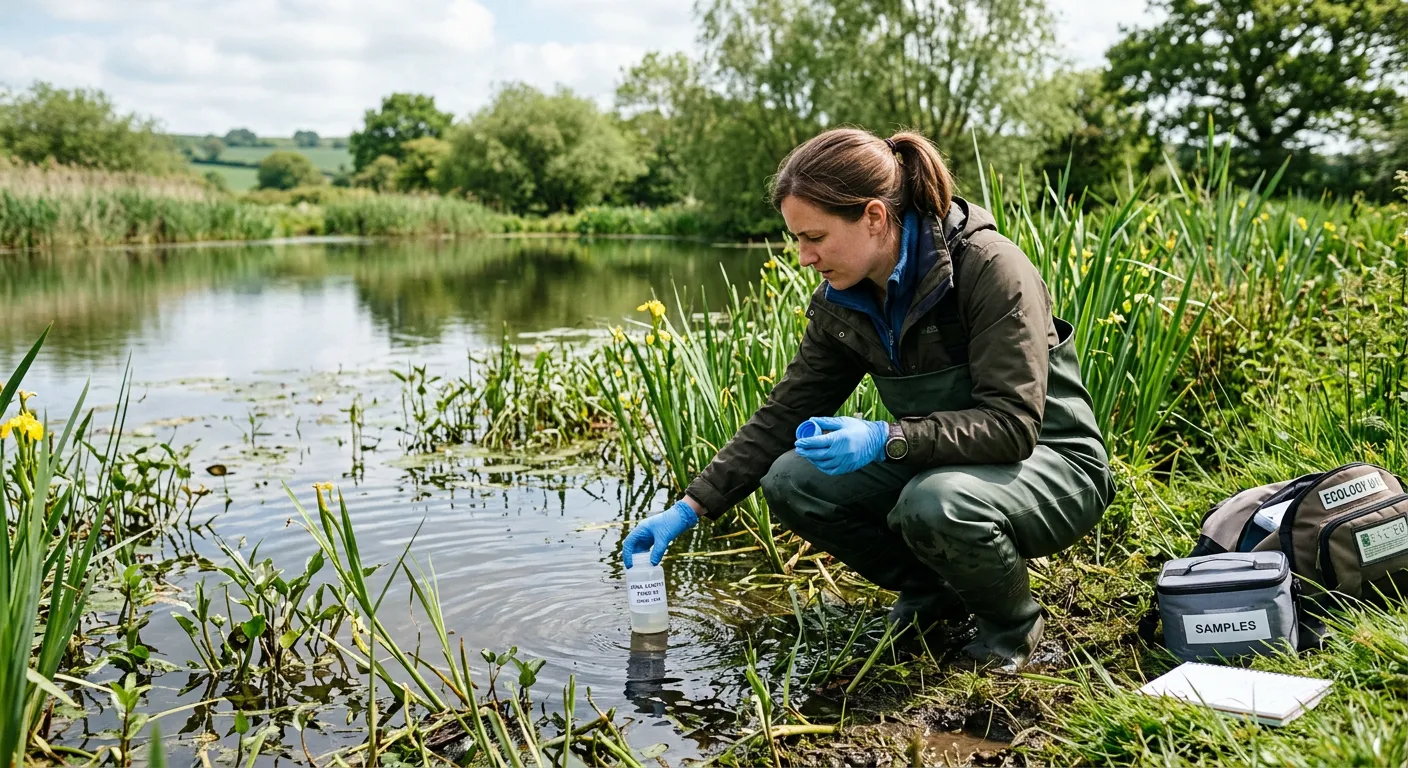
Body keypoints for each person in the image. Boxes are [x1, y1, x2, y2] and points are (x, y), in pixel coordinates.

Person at [621, 128, 1114, 669]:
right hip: (950, 462)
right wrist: (690, 508)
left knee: (936, 502)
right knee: (790, 478)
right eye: (797, 240)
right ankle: (935, 595)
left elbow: (1012, 426)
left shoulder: (989, 268)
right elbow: (785, 413)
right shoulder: (845, 299)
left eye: (815, 237)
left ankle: (1012, 627)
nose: (805, 257)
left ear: (875, 217)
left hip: (1051, 463)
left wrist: (886, 439)